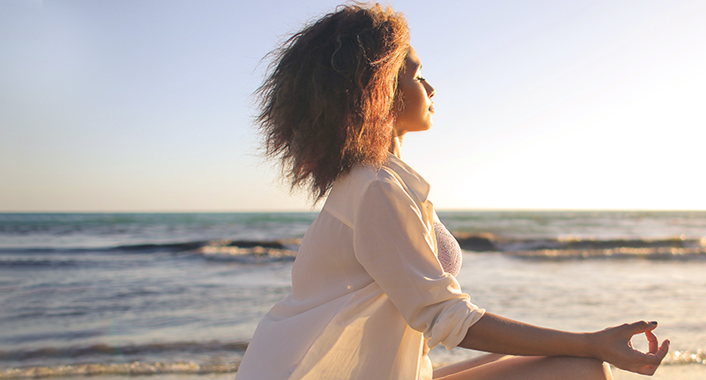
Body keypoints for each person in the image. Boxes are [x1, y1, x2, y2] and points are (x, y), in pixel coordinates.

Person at [235, 4, 669, 380]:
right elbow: (444, 317)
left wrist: (586, 342)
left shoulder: (385, 180)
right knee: (581, 368)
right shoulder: (375, 188)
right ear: (380, 90)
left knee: (554, 355)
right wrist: (594, 343)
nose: (430, 88)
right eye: (417, 75)